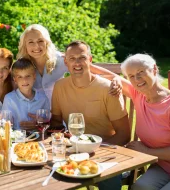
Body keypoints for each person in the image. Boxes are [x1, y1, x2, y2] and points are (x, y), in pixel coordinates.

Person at [92, 54, 170, 190]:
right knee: (139, 187)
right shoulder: (139, 95)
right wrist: (85, 63)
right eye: (131, 76)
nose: (137, 79)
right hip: (163, 166)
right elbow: (108, 75)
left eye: (141, 72)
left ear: (154, 69)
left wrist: (147, 151)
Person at [51, 40, 130, 190]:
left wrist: (95, 151)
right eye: (72, 59)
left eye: (82, 58)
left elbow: (125, 135)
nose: (77, 63)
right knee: (49, 177)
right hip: (74, 152)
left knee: (107, 182)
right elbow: (55, 122)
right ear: (66, 62)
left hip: (107, 152)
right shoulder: (60, 86)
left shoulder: (109, 89)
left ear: (90, 60)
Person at [17, 24, 67, 105]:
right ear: (25, 45)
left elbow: (86, 70)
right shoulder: (20, 66)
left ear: (46, 42)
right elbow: (16, 94)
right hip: (34, 115)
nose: (36, 46)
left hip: (61, 114)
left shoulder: (60, 59)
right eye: (31, 42)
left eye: (40, 41)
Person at [2, 58, 50, 130]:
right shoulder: (9, 99)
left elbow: (47, 123)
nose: (24, 80)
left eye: (28, 76)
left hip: (38, 138)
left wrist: (40, 123)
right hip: (16, 139)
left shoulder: (43, 98)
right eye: (20, 77)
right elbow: (4, 124)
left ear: (34, 77)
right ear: (15, 79)